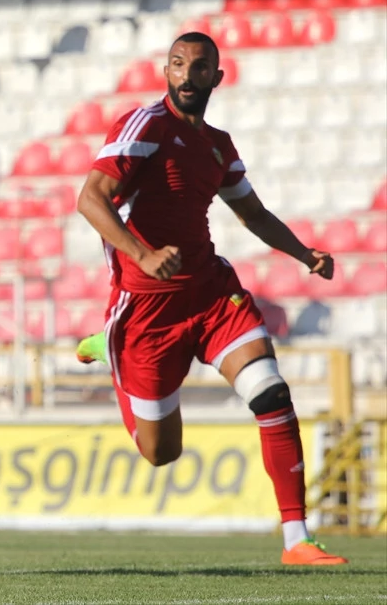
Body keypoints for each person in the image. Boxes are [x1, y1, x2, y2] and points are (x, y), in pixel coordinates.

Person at [74, 32, 346, 566]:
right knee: (161, 453)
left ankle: (296, 540)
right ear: (166, 71)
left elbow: (254, 214)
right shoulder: (145, 125)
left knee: (270, 394)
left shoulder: (219, 145)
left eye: (200, 67)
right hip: (147, 306)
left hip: (210, 293)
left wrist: (302, 253)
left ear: (216, 78)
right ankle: (111, 343)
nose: (187, 75)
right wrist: (143, 254)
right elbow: (91, 199)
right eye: (178, 64)